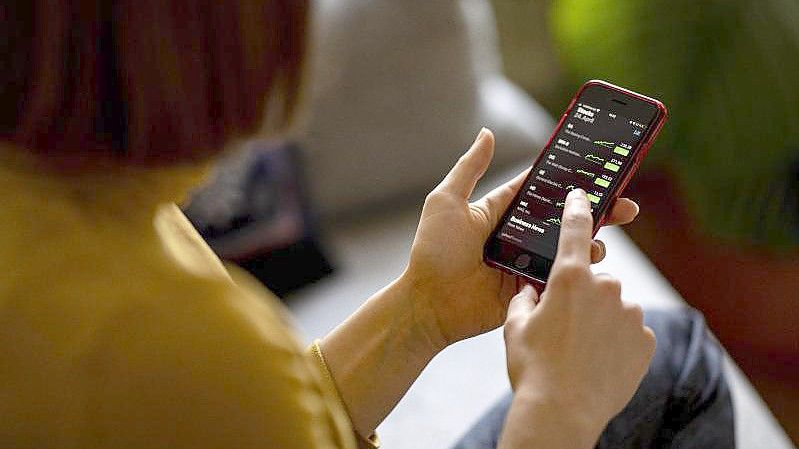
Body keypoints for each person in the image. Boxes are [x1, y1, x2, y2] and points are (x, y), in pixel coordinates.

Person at [0, 2, 732, 448]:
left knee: (666, 349)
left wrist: (423, 308)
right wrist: (555, 411)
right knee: (680, 365)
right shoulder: (178, 349)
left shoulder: (75, 205)